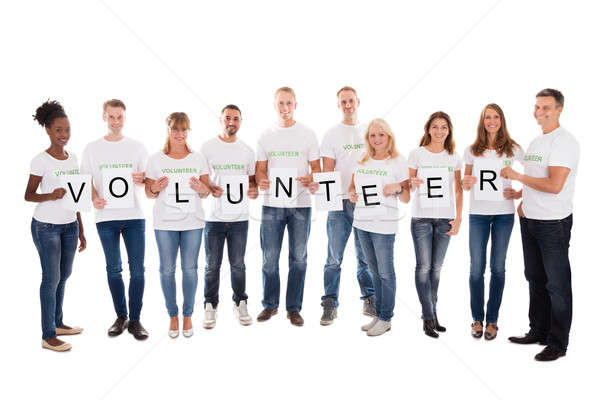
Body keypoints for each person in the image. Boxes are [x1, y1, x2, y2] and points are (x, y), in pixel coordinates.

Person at [501, 89, 579, 361]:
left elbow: (555, 185)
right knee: (535, 278)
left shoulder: (564, 143)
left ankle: (558, 343)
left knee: (557, 284)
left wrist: (518, 178)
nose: (540, 112)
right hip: (530, 221)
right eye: (537, 107)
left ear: (559, 110)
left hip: (553, 223)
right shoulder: (536, 142)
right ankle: (539, 330)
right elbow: (537, 179)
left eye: (546, 107)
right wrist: (522, 198)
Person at [80, 99, 150, 340]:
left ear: (124, 117)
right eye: (111, 117)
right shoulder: (91, 149)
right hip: (106, 218)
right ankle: (121, 317)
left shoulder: (137, 147)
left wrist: (142, 179)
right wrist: (94, 197)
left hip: (134, 216)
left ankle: (136, 320)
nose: (116, 121)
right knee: (113, 269)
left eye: (120, 117)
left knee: (138, 270)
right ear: (104, 117)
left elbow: (147, 180)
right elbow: (84, 180)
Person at [255, 87, 321, 326]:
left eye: (289, 103)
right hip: (272, 204)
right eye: (281, 103)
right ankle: (269, 305)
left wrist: (311, 178)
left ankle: (293, 308)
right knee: (269, 258)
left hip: (300, 204)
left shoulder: (308, 134)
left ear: (296, 105)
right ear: (275, 105)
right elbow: (260, 169)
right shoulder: (265, 135)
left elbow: (317, 169)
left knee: (299, 258)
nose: (285, 108)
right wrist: (261, 180)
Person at [25, 100, 86, 351]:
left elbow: (77, 195)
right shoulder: (40, 160)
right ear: (48, 130)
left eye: (67, 129)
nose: (64, 135)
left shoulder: (73, 158)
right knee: (51, 279)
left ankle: (58, 323)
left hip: (69, 226)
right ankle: (48, 335)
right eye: (59, 130)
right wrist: (50, 195)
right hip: (46, 227)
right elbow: (28, 195)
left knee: (64, 276)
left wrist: (81, 228)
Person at [462, 104, 523, 340]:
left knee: (498, 267)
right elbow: (465, 183)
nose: (492, 121)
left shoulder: (513, 149)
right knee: (476, 268)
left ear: (502, 120)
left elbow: (535, 172)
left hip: (504, 215)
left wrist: (518, 193)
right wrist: (466, 183)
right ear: (482, 121)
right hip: (477, 214)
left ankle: (493, 320)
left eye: (496, 116)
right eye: (488, 117)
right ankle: (477, 318)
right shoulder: (472, 150)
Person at [145, 112, 209, 338]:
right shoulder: (155, 159)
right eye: (175, 129)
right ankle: (173, 316)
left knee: (190, 269)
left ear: (188, 131)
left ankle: (188, 314)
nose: (180, 134)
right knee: (167, 269)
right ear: (168, 130)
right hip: (165, 223)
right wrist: (155, 188)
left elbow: (206, 191)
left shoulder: (198, 158)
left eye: (184, 129)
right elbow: (148, 193)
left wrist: (202, 190)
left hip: (193, 222)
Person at [317, 87, 376, 325]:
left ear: (358, 102)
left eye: (351, 101)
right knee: (334, 257)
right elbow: (327, 171)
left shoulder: (370, 131)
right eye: (343, 102)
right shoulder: (331, 134)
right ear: (338, 105)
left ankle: (370, 298)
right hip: (339, 203)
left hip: (365, 203)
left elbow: (376, 162)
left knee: (365, 257)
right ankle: (330, 303)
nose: (348, 105)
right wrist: (327, 197)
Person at [349, 118, 410, 336]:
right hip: (361, 223)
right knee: (374, 272)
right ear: (368, 138)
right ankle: (379, 314)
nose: (377, 139)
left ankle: (386, 318)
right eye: (373, 135)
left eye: (381, 134)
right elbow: (351, 188)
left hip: (384, 226)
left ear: (389, 136)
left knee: (386, 273)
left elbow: (406, 198)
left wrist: (397, 188)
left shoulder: (398, 161)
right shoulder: (362, 160)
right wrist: (352, 194)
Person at [199, 105, 258, 328]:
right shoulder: (207, 148)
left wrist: (254, 191)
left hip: (240, 218)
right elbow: (201, 181)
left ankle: (240, 301)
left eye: (235, 118)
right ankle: (210, 305)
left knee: (238, 264)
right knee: (211, 265)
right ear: (220, 120)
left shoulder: (247, 151)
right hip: (213, 217)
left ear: (241, 122)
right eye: (227, 118)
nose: (231, 122)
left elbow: (252, 183)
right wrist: (209, 187)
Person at [408, 111, 463, 339]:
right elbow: (407, 188)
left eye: (444, 127)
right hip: (421, 217)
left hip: (444, 219)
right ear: (428, 129)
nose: (439, 131)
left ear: (449, 130)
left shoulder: (454, 156)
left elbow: (458, 190)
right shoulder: (416, 154)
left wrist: (458, 218)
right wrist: (410, 183)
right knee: (423, 267)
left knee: (436, 269)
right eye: (435, 127)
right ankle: (428, 316)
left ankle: (433, 314)